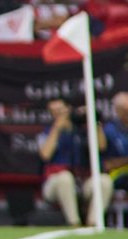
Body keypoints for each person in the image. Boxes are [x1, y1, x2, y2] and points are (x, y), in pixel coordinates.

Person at [37, 98, 113, 226]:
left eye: (61, 111)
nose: (59, 115)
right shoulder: (47, 132)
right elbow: (45, 155)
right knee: (65, 178)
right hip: (55, 183)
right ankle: (74, 223)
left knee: (104, 180)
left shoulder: (82, 130)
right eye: (54, 112)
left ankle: (93, 223)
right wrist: (57, 128)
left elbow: (102, 146)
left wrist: (93, 121)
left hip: (82, 181)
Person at [102, 92, 128, 193]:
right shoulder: (110, 130)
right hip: (118, 175)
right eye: (125, 110)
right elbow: (107, 164)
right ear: (118, 111)